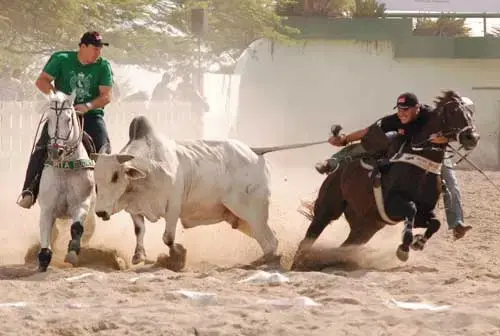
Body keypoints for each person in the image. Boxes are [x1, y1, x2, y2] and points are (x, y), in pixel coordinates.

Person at [314, 92, 471, 239]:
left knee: (451, 181)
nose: (402, 113)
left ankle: (456, 223)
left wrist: (444, 139)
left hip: (433, 155)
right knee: (377, 139)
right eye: (399, 109)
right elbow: (367, 132)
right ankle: (332, 162)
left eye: (406, 109)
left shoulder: (431, 116)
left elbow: (456, 131)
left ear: (417, 108)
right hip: (407, 148)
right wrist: (345, 138)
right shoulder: (394, 119)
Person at [17, 31, 114, 209]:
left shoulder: (103, 66)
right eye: (95, 48)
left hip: (91, 115)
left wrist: (87, 106)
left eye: (100, 49)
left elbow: (106, 96)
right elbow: (42, 81)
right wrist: (59, 99)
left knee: (104, 150)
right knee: (41, 147)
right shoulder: (61, 59)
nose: (98, 52)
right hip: (61, 113)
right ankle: (29, 191)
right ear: (82, 46)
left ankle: (105, 197)